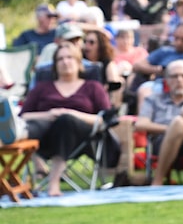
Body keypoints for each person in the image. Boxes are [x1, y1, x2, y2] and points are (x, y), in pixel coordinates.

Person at [19, 43, 119, 196]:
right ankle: (12, 150)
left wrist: (72, 113)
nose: (65, 62)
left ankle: (54, 183)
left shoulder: (93, 87)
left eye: (70, 57)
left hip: (81, 139)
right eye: (60, 59)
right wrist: (50, 114)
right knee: (32, 125)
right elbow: (24, 115)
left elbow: (104, 119)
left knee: (66, 121)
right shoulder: (42, 88)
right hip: (43, 136)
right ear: (55, 65)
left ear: (79, 62)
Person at [81, 28, 124, 107]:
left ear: (100, 45)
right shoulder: (79, 62)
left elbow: (114, 83)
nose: (87, 45)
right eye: (85, 42)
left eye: (91, 42)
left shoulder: (107, 63)